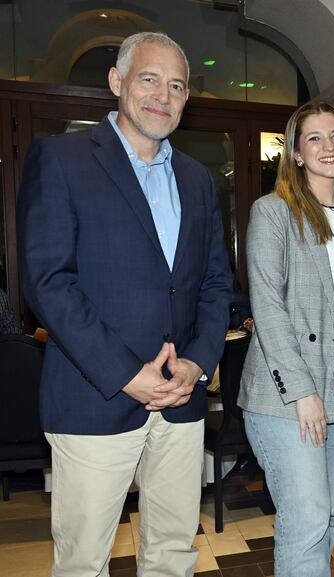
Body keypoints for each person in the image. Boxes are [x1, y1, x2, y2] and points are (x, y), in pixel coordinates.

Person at [16, 31, 232, 576]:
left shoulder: (198, 180)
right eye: (150, 79)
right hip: (94, 399)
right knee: (84, 562)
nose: (163, 95)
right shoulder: (62, 160)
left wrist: (198, 362)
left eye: (177, 85)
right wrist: (125, 372)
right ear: (117, 82)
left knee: (173, 552)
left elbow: (213, 284)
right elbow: (47, 282)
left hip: (181, 400)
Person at [238, 100, 334, 577]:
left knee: (328, 509)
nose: (326, 146)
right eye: (313, 138)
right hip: (287, 384)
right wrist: (303, 390)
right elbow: (267, 307)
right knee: (307, 513)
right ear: (295, 152)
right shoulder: (273, 212)